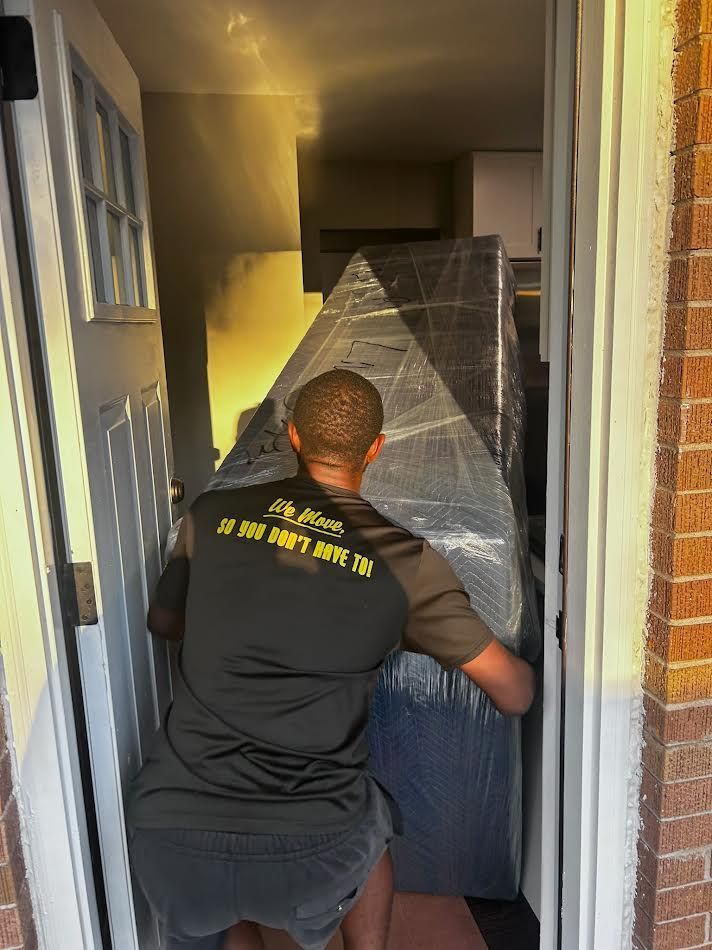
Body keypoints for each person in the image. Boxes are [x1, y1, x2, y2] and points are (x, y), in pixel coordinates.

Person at [128, 369, 535, 950]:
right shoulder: (404, 562)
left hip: (172, 831)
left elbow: (164, 622)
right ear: (375, 448)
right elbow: (512, 693)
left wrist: (243, 625)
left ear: (293, 436)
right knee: (373, 817)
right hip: (311, 846)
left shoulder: (211, 513)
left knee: (221, 914)